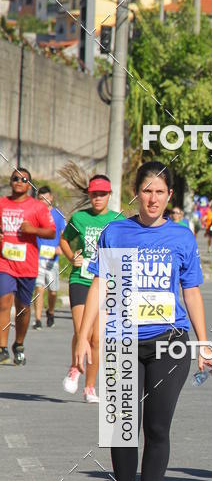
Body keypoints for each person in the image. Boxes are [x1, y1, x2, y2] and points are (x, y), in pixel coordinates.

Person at [75, 160, 212, 481]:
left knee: (156, 426)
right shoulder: (115, 233)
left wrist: (205, 344)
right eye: (146, 190)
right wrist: (83, 337)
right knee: (122, 428)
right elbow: (99, 285)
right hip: (122, 338)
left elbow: (191, 291)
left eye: (160, 192)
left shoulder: (181, 237)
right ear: (136, 194)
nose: (152, 198)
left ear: (169, 196)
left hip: (170, 343)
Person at [59, 169, 120, 401]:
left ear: (109, 195)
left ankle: (90, 387)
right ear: (89, 194)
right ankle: (75, 367)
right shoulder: (79, 219)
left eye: (102, 194)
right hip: (81, 280)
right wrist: (70, 257)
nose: (98, 198)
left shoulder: (119, 220)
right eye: (94, 194)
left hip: (106, 284)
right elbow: (64, 240)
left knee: (97, 339)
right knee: (80, 331)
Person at [0, 168, 56, 365]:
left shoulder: (37, 207)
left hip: (28, 265)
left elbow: (51, 232)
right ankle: (2, 347)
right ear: (11, 181)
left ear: (29, 185)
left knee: (23, 308)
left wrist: (33, 230)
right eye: (15, 178)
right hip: (5, 262)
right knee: (4, 299)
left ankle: (19, 343)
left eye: (24, 179)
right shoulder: (2, 203)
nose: (19, 181)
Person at [33, 186, 66, 330]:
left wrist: (61, 247)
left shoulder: (58, 215)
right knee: (39, 288)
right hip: (38, 257)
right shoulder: (35, 214)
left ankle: (51, 312)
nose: (43, 201)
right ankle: (38, 320)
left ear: (51, 198)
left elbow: (64, 235)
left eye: (46, 198)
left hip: (53, 258)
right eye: (40, 198)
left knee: (53, 290)